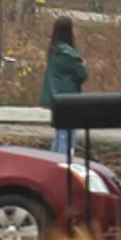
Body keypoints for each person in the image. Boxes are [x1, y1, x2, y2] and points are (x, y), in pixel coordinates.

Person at [39, 15, 88, 156]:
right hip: (68, 98)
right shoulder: (68, 54)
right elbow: (82, 74)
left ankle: (52, 163)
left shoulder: (53, 51)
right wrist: (83, 65)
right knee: (67, 136)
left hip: (54, 97)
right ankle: (62, 165)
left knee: (60, 134)